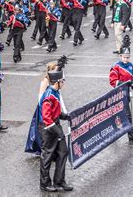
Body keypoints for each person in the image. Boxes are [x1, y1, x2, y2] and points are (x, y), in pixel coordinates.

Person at [39, 63, 73, 192]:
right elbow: (46, 117)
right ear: (57, 82)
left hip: (55, 125)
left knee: (63, 152)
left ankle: (59, 181)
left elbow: (56, 111)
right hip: (48, 128)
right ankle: (44, 183)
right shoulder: (48, 96)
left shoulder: (56, 92)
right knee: (47, 155)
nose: (64, 83)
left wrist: (65, 116)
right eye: (62, 81)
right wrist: (58, 132)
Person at [109, 35, 133, 143]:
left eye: (128, 57)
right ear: (120, 56)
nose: (126, 59)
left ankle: (129, 137)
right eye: (124, 57)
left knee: (126, 114)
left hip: (127, 92)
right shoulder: (116, 66)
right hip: (119, 93)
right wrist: (124, 84)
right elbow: (112, 81)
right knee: (126, 114)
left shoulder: (131, 65)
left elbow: (131, 78)